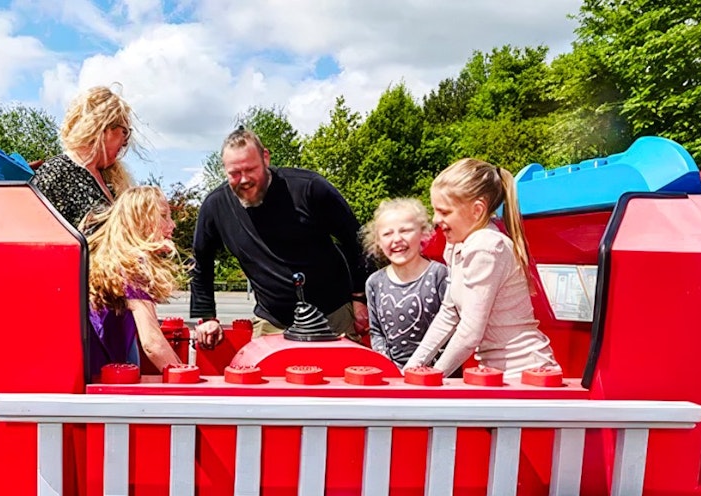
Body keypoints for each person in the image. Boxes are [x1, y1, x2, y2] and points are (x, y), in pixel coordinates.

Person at [190, 129, 369, 348]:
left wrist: (360, 298)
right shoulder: (215, 206)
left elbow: (356, 241)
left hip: (334, 313)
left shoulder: (309, 188)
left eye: (250, 169)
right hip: (272, 319)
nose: (244, 179)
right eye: (235, 173)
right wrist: (207, 317)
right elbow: (201, 261)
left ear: (266, 157)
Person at [404, 158, 558, 379]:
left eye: (445, 212)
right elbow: (449, 313)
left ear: (477, 211)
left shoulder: (486, 246)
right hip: (496, 373)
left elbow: (469, 333)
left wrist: (432, 377)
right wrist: (411, 369)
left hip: (522, 373)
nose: (436, 220)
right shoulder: (460, 244)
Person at [87, 186, 182, 381]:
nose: (172, 225)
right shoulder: (133, 265)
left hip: (93, 371)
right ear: (141, 221)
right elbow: (153, 344)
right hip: (105, 377)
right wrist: (187, 381)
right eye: (163, 216)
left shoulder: (108, 260)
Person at [31, 86, 134, 234]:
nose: (125, 142)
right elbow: (38, 237)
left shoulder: (110, 179)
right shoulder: (56, 173)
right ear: (103, 127)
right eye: (124, 132)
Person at [362, 198, 449, 368]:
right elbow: (376, 332)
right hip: (395, 377)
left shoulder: (439, 274)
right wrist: (389, 368)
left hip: (437, 375)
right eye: (387, 234)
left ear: (424, 233)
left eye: (405, 231)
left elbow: (452, 327)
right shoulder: (374, 282)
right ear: (378, 241)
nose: (396, 239)